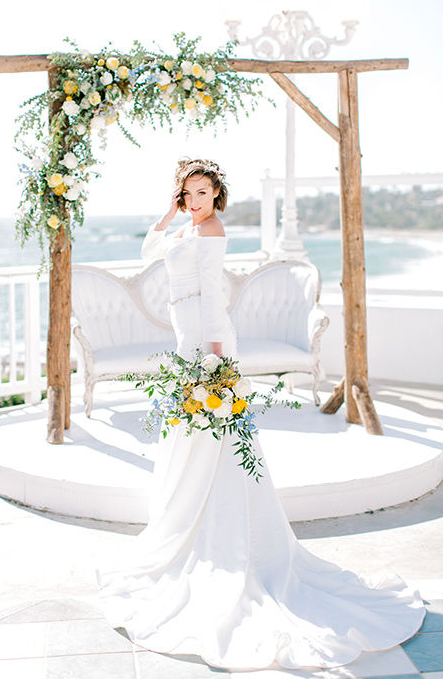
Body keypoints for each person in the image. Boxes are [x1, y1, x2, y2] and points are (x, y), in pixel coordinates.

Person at [97, 157, 425, 670]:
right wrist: (169, 212)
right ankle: (193, 517)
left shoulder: (212, 231)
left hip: (206, 337)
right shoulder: (187, 225)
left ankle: (225, 533)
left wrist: (212, 361)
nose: (196, 199)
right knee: (197, 434)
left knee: (216, 430)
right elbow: (147, 251)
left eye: (203, 192)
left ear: (217, 195)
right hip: (187, 334)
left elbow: (212, 296)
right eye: (189, 192)